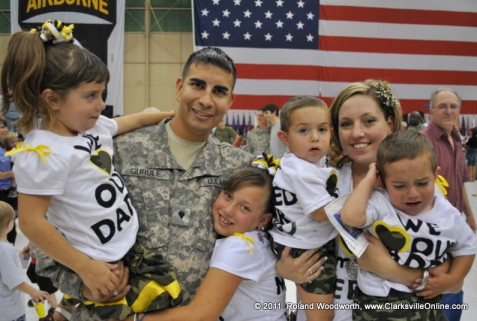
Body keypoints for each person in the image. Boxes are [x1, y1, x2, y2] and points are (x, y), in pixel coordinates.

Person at [1, 20, 179, 320]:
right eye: (91, 95)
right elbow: (31, 223)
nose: (101, 104)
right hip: (98, 263)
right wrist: (86, 268)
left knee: (168, 300)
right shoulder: (42, 152)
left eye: (102, 93)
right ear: (52, 99)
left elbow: (129, 121)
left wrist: (172, 116)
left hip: (131, 246)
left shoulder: (92, 128)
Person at [299, 79, 451, 321]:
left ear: (389, 123)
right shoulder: (319, 184)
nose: (357, 132)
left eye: (369, 121)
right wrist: (284, 268)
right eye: (346, 124)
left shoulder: (418, 189)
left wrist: (390, 269)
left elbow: (449, 275)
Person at [341, 130, 476, 321]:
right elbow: (350, 217)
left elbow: (467, 247)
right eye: (400, 186)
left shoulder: (448, 214)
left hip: (428, 302)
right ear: (382, 181)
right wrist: (370, 179)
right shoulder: (382, 203)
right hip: (378, 304)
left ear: (436, 175)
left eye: (422, 183)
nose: (412, 193)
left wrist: (452, 279)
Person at [129, 166, 286, 321]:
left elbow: (200, 315)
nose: (229, 210)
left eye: (245, 208)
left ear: (263, 220)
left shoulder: (240, 246)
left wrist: (134, 320)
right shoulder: (259, 239)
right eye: (228, 196)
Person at [270, 96, 338, 321]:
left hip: (305, 240)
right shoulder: (299, 169)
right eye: (303, 131)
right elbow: (320, 212)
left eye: (322, 129)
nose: (315, 137)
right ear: (284, 138)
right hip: (305, 249)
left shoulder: (313, 163)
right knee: (321, 314)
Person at [421, 88, 477, 321]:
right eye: (442, 106)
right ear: (431, 110)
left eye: (453, 107)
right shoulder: (424, 142)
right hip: (431, 229)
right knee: (437, 286)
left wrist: (470, 217)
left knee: (454, 284)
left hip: (454, 226)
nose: (448, 111)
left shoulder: (456, 140)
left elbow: (459, 182)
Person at [0, 201, 49, 321]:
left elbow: (8, 269)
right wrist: (33, 291)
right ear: (9, 224)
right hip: (10, 310)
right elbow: (12, 279)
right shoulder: (5, 250)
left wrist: (21, 258)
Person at [0, 118, 17, 244]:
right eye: (1, 127)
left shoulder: (2, 148)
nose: (5, 129)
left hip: (8, 192)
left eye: (5, 126)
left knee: (10, 228)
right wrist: (13, 173)